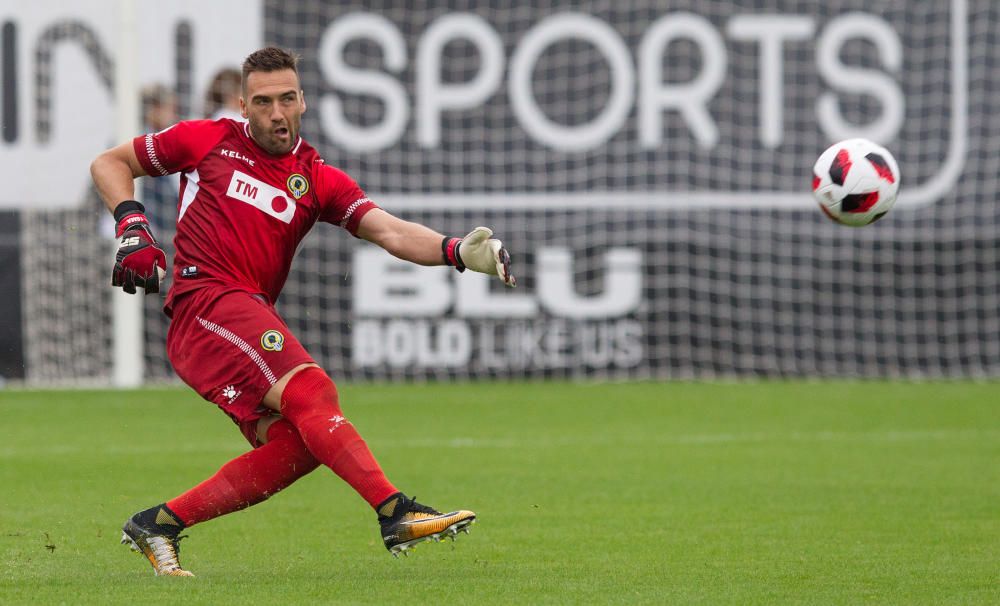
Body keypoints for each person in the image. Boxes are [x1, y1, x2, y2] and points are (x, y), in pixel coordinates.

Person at [90, 47, 515, 577]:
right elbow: (109, 162)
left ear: (303, 101)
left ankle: (159, 523)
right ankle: (395, 511)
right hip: (208, 304)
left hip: (238, 318)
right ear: (243, 106)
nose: (276, 113)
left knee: (302, 446)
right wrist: (132, 226)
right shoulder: (207, 139)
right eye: (263, 102)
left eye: (287, 99)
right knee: (315, 393)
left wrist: (456, 250)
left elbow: (389, 231)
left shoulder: (315, 177)